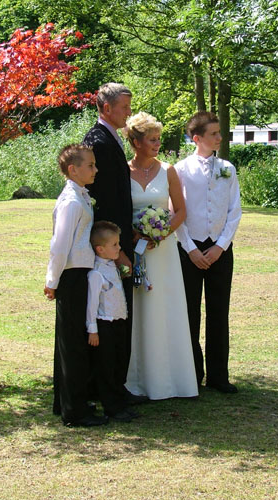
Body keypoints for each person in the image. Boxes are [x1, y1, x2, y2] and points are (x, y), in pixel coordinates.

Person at [123, 111, 198, 400]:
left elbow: (180, 211)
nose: (157, 144)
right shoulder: (122, 170)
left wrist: (160, 234)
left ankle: (170, 381)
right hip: (133, 250)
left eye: (158, 139)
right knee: (138, 310)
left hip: (162, 252)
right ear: (136, 141)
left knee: (163, 309)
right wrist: (134, 236)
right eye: (152, 139)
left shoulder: (168, 170)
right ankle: (135, 381)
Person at [83, 83, 147, 405]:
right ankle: (106, 389)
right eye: (124, 107)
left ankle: (115, 386)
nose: (128, 113)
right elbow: (105, 201)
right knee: (110, 321)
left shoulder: (111, 138)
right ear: (106, 108)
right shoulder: (100, 142)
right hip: (108, 249)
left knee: (120, 319)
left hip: (118, 243)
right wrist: (118, 249)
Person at [174, 111, 242, 394]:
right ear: (196, 138)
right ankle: (192, 373)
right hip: (189, 250)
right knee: (189, 313)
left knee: (218, 312)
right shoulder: (180, 170)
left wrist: (220, 246)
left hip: (219, 250)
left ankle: (218, 375)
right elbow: (174, 211)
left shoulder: (228, 168)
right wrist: (190, 249)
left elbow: (234, 211)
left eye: (219, 133)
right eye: (214, 134)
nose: (219, 137)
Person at [44, 144, 108, 427]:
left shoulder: (81, 196)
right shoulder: (71, 201)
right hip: (71, 275)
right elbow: (60, 245)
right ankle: (74, 411)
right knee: (72, 342)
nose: (95, 170)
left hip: (81, 272)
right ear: (73, 169)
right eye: (90, 165)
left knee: (73, 339)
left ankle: (66, 400)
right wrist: (52, 280)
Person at [86, 221, 139, 422]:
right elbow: (92, 304)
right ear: (100, 249)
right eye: (115, 245)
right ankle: (111, 406)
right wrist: (93, 330)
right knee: (106, 365)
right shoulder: (96, 273)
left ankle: (120, 401)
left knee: (118, 361)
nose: (119, 248)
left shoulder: (112, 266)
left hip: (118, 321)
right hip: (104, 323)